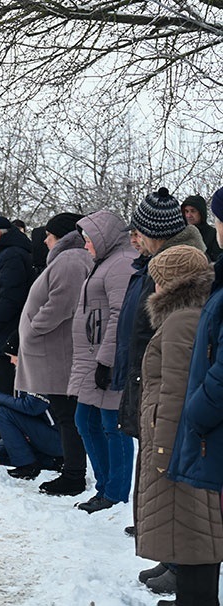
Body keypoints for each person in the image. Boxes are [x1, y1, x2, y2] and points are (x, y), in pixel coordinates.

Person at [136, 245, 221, 606]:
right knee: (190, 530)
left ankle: (195, 600)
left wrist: (165, 452)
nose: (152, 289)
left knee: (191, 531)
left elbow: (178, 389)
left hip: (178, 446)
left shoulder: (181, 319)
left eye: (157, 281)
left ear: (171, 283)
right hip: (183, 441)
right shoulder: (192, 313)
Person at [117, 188, 206, 439]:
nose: (137, 239)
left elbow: (176, 342)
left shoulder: (175, 266)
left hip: (162, 393)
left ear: (153, 232)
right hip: (148, 381)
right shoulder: (155, 263)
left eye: (140, 232)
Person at [14, 213, 91, 497]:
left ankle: (73, 475)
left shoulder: (70, 260)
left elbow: (61, 303)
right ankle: (72, 471)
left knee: (66, 415)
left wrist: (34, 328)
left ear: (60, 235)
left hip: (59, 350)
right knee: (66, 414)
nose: (44, 240)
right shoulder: (70, 258)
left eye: (48, 234)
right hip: (58, 348)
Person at [67, 210, 135, 513]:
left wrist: (106, 361)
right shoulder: (106, 261)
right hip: (92, 359)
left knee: (111, 425)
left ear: (103, 237)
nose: (86, 246)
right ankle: (105, 487)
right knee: (86, 420)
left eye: (89, 239)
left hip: (106, 361)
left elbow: (121, 317)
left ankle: (115, 493)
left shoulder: (120, 263)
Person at [0, 216, 33, 398]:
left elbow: (11, 296)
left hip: (5, 333)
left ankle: (5, 425)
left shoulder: (12, 256)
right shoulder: (3, 255)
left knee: (6, 387)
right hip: (2, 333)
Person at [0, 391, 63, 478]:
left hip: (60, 437)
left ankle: (27, 466)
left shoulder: (41, 378)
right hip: (42, 428)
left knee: (2, 413)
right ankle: (52, 461)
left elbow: (33, 406)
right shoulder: (21, 378)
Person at [182, 194, 222, 261]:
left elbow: (217, 261)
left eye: (193, 211)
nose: (188, 215)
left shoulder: (213, 234)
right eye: (186, 211)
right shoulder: (180, 234)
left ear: (201, 213)